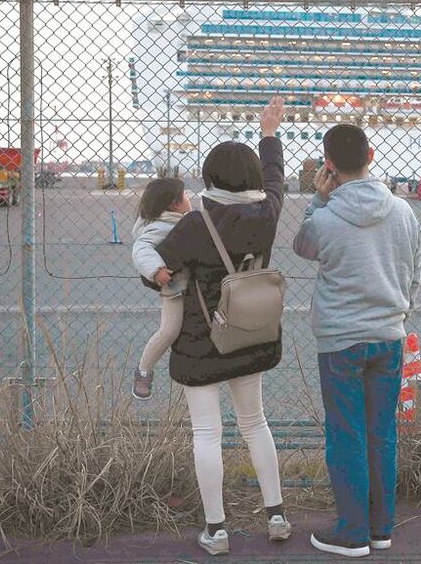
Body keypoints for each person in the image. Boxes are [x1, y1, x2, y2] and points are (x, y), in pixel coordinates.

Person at [155, 97, 291, 557]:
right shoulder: (267, 215)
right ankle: (276, 514)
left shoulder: (195, 224)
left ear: (209, 180)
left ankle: (216, 529)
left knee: (207, 433)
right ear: (253, 180)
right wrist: (268, 134)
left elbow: (158, 271)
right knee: (255, 423)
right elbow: (276, 181)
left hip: (200, 342)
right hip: (250, 336)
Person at [293, 124, 421, 558]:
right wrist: (396, 313)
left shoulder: (326, 218)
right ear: (371, 154)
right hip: (389, 336)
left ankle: (351, 532)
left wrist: (318, 197)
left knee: (346, 434)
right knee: (382, 434)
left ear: (328, 163)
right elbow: (415, 275)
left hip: (340, 340)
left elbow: (302, 246)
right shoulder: (404, 212)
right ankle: (380, 528)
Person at [130, 177, 192, 400]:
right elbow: (141, 249)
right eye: (186, 195)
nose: (189, 198)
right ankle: (144, 370)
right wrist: (156, 270)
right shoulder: (161, 227)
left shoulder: (179, 220)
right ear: (175, 204)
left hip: (190, 288)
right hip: (174, 290)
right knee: (169, 331)